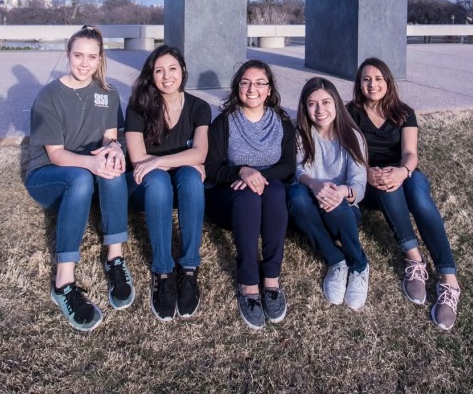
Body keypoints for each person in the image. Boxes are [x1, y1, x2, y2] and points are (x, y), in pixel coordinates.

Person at [25, 25, 135, 332]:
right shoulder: (49, 96)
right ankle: (63, 283)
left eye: (91, 57)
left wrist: (112, 152)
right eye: (78, 56)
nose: (84, 63)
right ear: (67, 55)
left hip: (87, 166)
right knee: (84, 179)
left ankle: (115, 259)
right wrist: (93, 163)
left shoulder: (108, 93)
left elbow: (110, 138)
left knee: (112, 171)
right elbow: (57, 155)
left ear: (100, 58)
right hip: (49, 175)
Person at [347, 57, 461, 330]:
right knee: (387, 186)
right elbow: (349, 152)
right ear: (359, 83)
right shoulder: (350, 112)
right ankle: (415, 261)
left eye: (378, 79)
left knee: (420, 199)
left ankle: (449, 280)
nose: (372, 84)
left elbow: (410, 154)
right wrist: (367, 172)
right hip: (371, 181)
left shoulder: (403, 112)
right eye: (366, 79)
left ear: (388, 81)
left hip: (406, 173)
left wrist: (402, 172)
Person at [205, 59, 296, 331]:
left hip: (269, 196)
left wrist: (259, 177)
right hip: (228, 199)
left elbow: (288, 167)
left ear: (269, 89)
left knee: (276, 189)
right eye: (245, 83)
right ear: (237, 88)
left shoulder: (282, 122)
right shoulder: (224, 122)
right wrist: (242, 172)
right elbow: (212, 169)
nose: (252, 88)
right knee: (247, 197)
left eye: (259, 83)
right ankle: (248, 283)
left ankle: (271, 279)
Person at [125, 44, 210, 322]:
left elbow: (200, 153)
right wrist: (159, 165)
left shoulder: (199, 107)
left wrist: (158, 160)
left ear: (183, 71)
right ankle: (163, 272)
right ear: (152, 75)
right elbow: (138, 158)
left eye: (172, 68)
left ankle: (188, 269)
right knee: (160, 179)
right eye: (159, 70)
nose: (167, 75)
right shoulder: (139, 108)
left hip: (184, 188)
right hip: (147, 189)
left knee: (191, 175)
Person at [287, 77, 369, 310]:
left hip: (344, 210)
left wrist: (342, 191)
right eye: (312, 104)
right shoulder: (302, 134)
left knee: (338, 204)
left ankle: (359, 264)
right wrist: (314, 185)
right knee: (295, 196)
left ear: (336, 104)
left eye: (326, 102)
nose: (320, 109)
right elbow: (299, 170)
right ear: (305, 107)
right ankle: (336, 260)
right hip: (311, 203)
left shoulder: (353, 136)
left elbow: (359, 186)